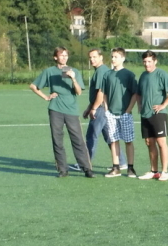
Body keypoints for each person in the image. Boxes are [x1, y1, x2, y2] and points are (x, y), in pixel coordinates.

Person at [29, 47, 93, 177]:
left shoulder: (74, 71)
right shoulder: (49, 71)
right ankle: (63, 170)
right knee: (57, 140)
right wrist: (46, 97)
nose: (64, 57)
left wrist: (73, 79)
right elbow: (33, 86)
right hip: (55, 109)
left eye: (66, 55)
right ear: (55, 57)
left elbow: (79, 92)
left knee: (78, 139)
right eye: (61, 55)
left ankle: (87, 169)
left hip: (71, 110)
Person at [136, 50, 168, 181]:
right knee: (149, 142)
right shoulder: (143, 76)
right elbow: (138, 93)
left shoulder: (161, 74)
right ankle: (154, 171)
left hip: (158, 114)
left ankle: (165, 172)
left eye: (149, 61)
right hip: (145, 114)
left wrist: (163, 105)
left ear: (155, 61)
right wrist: (139, 105)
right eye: (144, 61)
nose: (147, 64)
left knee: (161, 142)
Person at [100, 48, 138, 178]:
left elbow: (134, 94)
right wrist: (106, 109)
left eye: (116, 57)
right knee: (114, 140)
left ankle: (130, 168)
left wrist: (128, 111)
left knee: (128, 141)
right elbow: (104, 93)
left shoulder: (129, 75)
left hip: (125, 114)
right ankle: (116, 167)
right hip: (111, 114)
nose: (113, 59)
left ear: (123, 58)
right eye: (112, 56)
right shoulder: (107, 75)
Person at [82, 48, 113, 169]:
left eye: (94, 57)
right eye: (90, 57)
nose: (92, 59)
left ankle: (85, 163)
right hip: (103, 108)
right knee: (109, 137)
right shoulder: (101, 70)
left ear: (101, 57)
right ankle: (121, 162)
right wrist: (89, 107)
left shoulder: (101, 71)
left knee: (91, 135)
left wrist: (94, 108)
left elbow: (101, 92)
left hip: (100, 108)